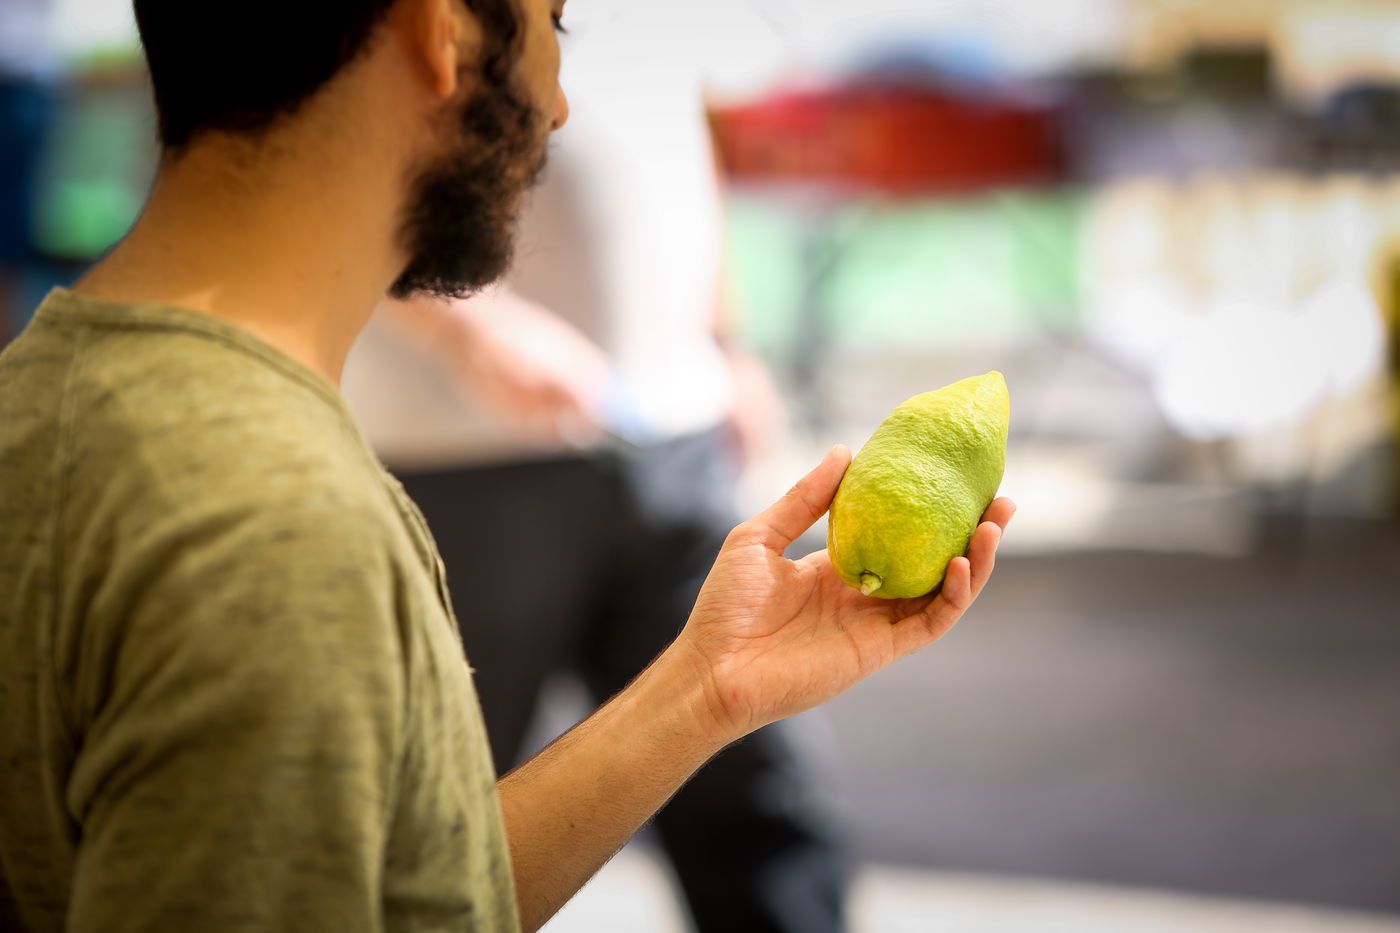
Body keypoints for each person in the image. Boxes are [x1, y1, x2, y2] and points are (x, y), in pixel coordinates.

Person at [0, 1, 1014, 931]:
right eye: (553, 28)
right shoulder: (282, 529)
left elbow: (402, 901)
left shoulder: (45, 399)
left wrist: (708, 693)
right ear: (439, 31)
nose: (561, 102)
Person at [340, 4, 848, 930]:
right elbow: (327, 150)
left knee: (754, 784)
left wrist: (730, 342)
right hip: (460, 456)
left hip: (674, 432)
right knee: (444, 804)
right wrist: (469, 327)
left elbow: (691, 133)